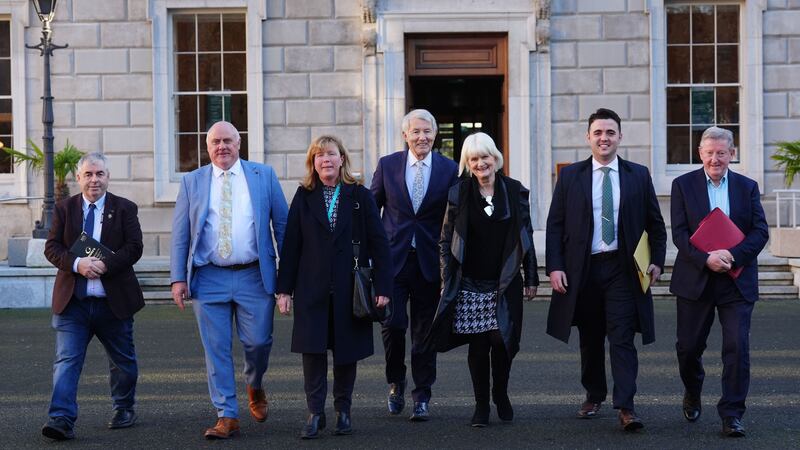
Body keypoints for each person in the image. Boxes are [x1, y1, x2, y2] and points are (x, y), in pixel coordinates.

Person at [545, 108, 667, 431]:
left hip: (623, 269)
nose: (604, 138)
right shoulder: (570, 176)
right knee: (590, 336)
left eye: (610, 132)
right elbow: (555, 225)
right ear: (588, 137)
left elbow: (656, 224)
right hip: (583, 269)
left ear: (620, 137)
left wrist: (657, 261)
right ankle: (594, 393)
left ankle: (626, 406)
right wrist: (554, 266)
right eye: (598, 132)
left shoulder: (638, 175)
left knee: (622, 337)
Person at [169, 121, 288, 439]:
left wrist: (286, 281)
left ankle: (255, 384)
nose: (222, 146)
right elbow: (181, 233)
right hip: (209, 277)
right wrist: (178, 278)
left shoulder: (263, 175)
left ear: (239, 144)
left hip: (254, 275)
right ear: (208, 147)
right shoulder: (193, 181)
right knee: (216, 348)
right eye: (215, 142)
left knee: (258, 342)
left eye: (228, 141)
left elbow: (283, 226)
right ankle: (226, 415)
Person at [276, 135, 392, 439]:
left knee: (346, 353)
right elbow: (291, 247)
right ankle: (315, 413)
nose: (325, 160)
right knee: (312, 354)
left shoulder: (360, 196)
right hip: (311, 289)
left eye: (331, 154)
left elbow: (380, 244)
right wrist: (283, 290)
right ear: (313, 163)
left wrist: (383, 286)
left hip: (349, 289)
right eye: (319, 156)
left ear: (342, 159)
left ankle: (343, 412)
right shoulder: (303, 196)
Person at [426, 132, 538, 427]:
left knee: (502, 340)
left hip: (505, 279)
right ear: (467, 162)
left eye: (485, 157)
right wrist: (445, 279)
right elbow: (445, 240)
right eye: (473, 159)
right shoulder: (458, 193)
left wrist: (532, 277)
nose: (480, 164)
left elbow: (526, 236)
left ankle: (500, 393)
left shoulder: (514, 191)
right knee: (478, 345)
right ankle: (481, 406)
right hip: (470, 282)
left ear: (495, 158)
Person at [670, 126, 768, 438]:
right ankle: (693, 390)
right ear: (700, 153)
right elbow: (680, 235)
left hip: (736, 282)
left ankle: (732, 414)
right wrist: (706, 259)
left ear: (732, 154)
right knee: (688, 349)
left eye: (722, 153)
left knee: (737, 347)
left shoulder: (747, 187)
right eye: (710, 152)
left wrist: (733, 255)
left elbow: (760, 232)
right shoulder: (682, 185)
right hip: (695, 280)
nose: (715, 159)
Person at [42, 152, 144, 440]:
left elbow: (134, 247)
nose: (94, 179)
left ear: (108, 177)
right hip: (73, 303)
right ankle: (60, 419)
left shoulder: (125, 209)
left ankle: (124, 407)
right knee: (66, 361)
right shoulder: (64, 209)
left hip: (114, 304)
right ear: (79, 178)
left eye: (99, 174)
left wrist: (105, 264)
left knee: (123, 362)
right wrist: (77, 264)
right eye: (88, 174)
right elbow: (51, 248)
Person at [370, 109, 458, 421]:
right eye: (416, 132)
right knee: (392, 326)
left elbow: (457, 216)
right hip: (392, 262)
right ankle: (396, 380)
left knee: (424, 334)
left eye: (428, 132)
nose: (422, 137)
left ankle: (422, 395)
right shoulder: (388, 165)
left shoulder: (450, 169)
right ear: (405, 135)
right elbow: (372, 209)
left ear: (435, 135)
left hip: (430, 263)